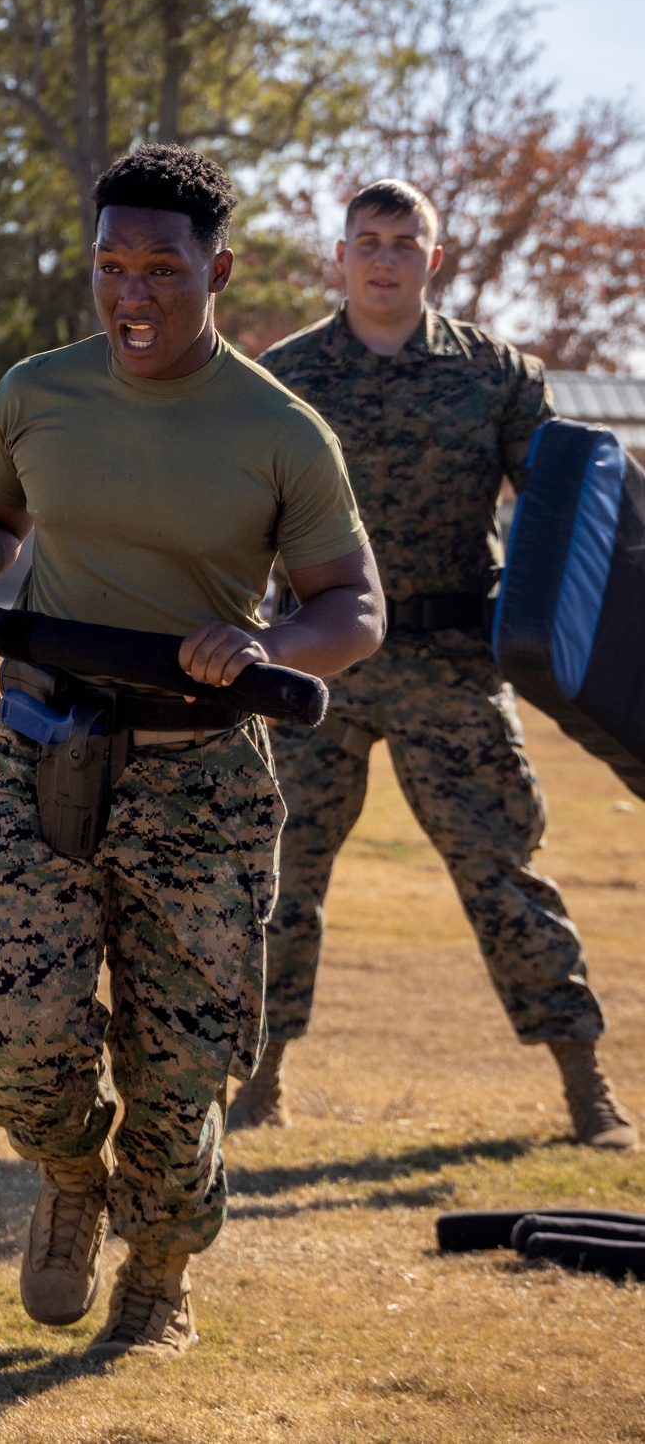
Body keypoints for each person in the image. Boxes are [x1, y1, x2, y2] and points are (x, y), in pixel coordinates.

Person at [0, 145, 385, 1359]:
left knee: (181, 1065)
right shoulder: (39, 391)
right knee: (14, 1035)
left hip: (199, 774)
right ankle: (67, 1174)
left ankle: (160, 1272)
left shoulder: (281, 430)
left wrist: (261, 639)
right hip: (44, 747)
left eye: (162, 267)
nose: (133, 295)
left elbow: (352, 605)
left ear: (220, 269)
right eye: (112, 267)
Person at [231, 178, 639, 1152]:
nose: (383, 258)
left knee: (502, 867)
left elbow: (560, 511)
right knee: (277, 876)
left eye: (403, 241)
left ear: (433, 258)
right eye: (366, 240)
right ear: (339, 254)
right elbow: (244, 520)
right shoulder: (283, 377)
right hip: (317, 666)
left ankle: (586, 1087)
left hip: (451, 664)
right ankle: (260, 1081)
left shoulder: (495, 375)